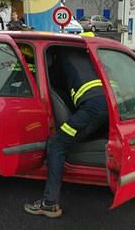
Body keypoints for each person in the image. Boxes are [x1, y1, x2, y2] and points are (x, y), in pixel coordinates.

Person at [24, 48, 109, 218]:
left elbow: (49, 80)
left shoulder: (59, 55)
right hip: (107, 101)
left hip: (92, 107)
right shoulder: (88, 54)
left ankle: (49, 204)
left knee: (56, 144)